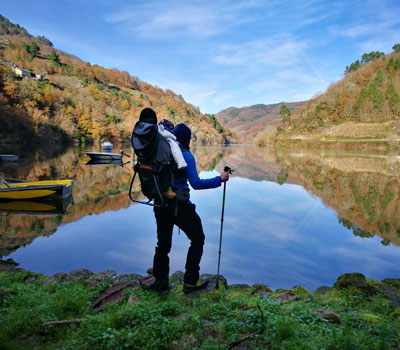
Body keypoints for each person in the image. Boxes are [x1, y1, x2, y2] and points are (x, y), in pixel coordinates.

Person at [150, 122, 230, 293]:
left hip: (160, 204)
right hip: (180, 207)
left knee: (163, 245)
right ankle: (190, 282)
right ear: (187, 139)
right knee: (198, 239)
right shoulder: (186, 156)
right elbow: (196, 184)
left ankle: (160, 282)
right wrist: (220, 179)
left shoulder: (161, 152)